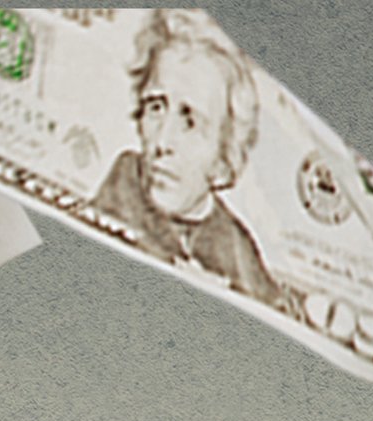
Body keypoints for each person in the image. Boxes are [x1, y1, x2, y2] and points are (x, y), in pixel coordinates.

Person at [85, 14, 281, 308]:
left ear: (223, 161)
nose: (162, 142)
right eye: (155, 107)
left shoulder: (238, 250)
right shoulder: (125, 179)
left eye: (190, 122)